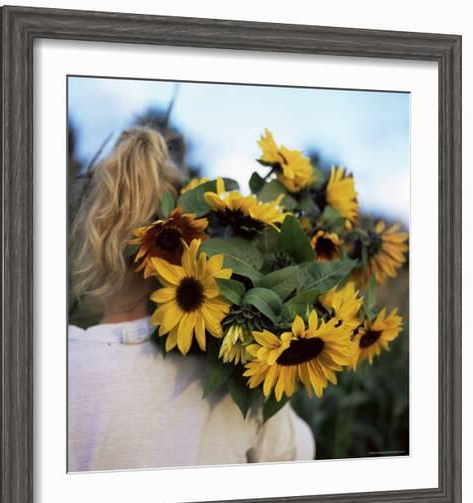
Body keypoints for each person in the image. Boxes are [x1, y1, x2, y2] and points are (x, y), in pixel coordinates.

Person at [68, 126, 315, 472]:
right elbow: (300, 455)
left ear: (92, 240)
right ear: (192, 241)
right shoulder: (237, 373)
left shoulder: (55, 372)